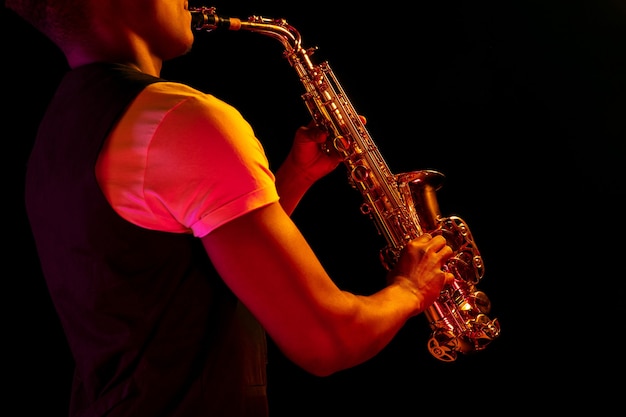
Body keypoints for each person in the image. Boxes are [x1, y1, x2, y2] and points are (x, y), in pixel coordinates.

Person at [5, 1, 455, 416]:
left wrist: (293, 179)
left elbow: (174, 277)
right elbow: (328, 342)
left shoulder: (59, 132)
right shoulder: (182, 117)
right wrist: (410, 290)